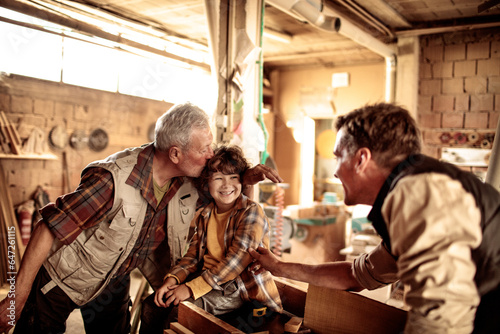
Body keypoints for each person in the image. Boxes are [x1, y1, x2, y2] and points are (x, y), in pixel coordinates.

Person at [0, 102, 282, 334]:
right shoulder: (112, 180)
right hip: (63, 281)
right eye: (204, 149)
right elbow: (47, 229)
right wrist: (16, 298)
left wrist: (246, 177)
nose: (210, 156)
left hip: (114, 280)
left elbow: (223, 191)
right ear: (175, 153)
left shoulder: (185, 179)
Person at [249, 102, 500, 333]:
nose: (335, 172)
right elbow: (356, 276)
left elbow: (439, 318)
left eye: (338, 157)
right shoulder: (413, 190)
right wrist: (279, 267)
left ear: (361, 159)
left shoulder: (417, 195)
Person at [139, 145, 282, 333]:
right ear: (207, 183)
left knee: (180, 310)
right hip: (210, 279)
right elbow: (192, 257)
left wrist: (190, 289)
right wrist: (173, 279)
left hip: (239, 287)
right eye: (218, 178)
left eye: (233, 178)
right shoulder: (205, 214)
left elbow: (236, 261)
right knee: (151, 305)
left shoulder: (251, 212)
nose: (226, 185)